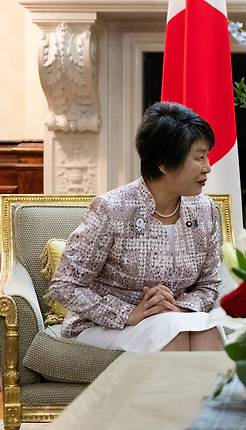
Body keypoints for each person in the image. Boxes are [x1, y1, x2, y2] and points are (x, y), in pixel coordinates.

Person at [48, 101, 227, 352]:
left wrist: (179, 308)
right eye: (199, 157)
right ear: (164, 164)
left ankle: (210, 394)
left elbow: (209, 284)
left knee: (207, 331)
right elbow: (65, 285)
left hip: (174, 318)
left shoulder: (204, 209)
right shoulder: (112, 209)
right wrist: (128, 313)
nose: (208, 167)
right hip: (106, 324)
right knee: (171, 333)